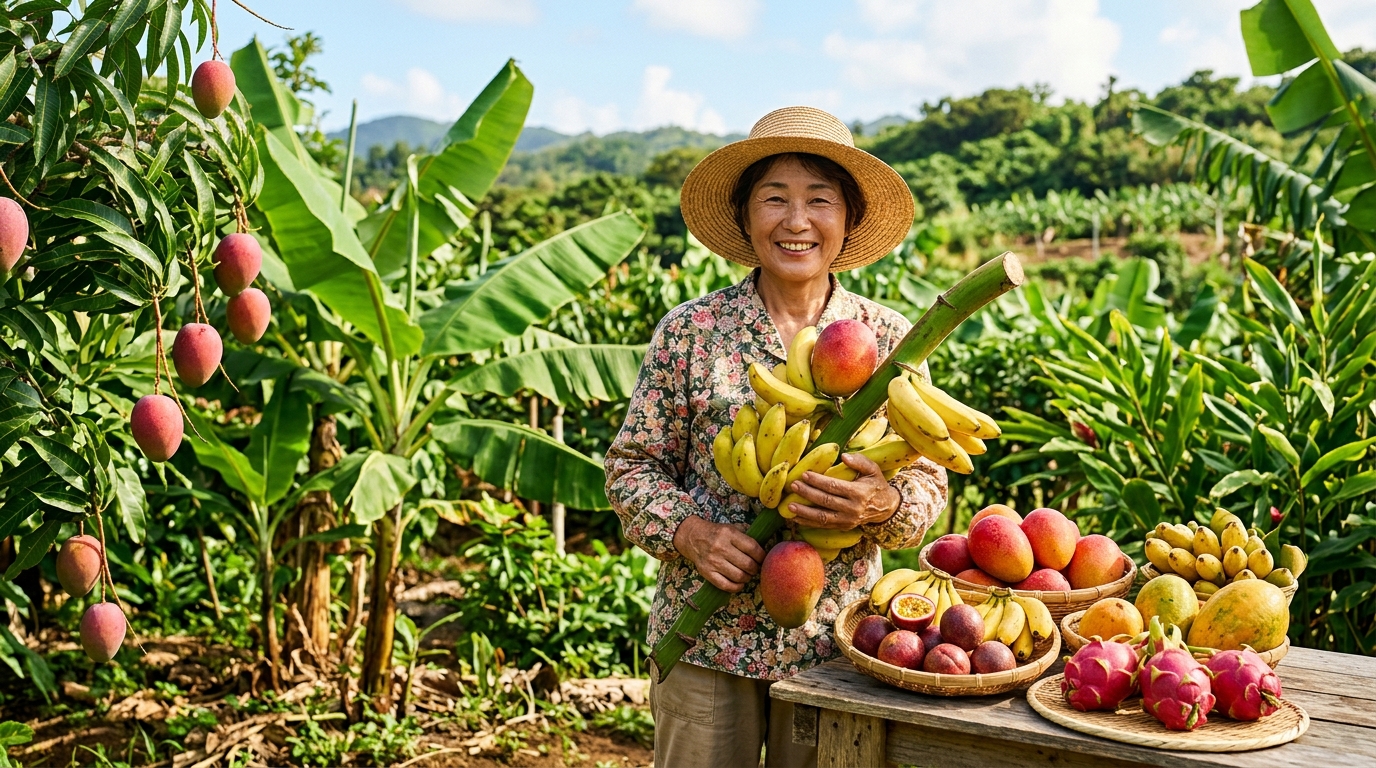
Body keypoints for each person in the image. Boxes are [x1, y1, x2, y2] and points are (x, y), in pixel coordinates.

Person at [605, 106, 948, 768]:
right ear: (745, 218)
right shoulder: (691, 332)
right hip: (705, 639)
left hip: (840, 650)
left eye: (818, 200)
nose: (796, 221)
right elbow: (631, 470)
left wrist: (885, 506)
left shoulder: (892, 342)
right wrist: (688, 532)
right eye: (774, 199)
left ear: (846, 221)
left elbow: (927, 479)